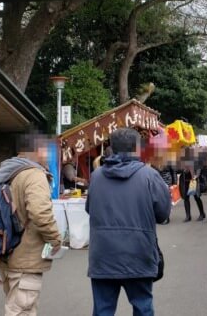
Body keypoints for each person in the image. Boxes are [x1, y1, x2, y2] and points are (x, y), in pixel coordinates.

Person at [86, 128, 171, 316]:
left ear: (112, 148)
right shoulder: (149, 176)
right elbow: (163, 214)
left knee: (103, 310)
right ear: (138, 149)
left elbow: (89, 209)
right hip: (139, 253)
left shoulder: (97, 177)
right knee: (142, 308)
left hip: (103, 256)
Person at [0, 134, 62, 316]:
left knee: (15, 303)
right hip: (26, 254)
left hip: (4, 250)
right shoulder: (34, 175)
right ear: (38, 150)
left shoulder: (5, 173)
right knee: (22, 309)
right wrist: (55, 240)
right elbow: (40, 213)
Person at [178, 148, 206, 222]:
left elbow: (199, 168)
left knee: (196, 197)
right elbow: (177, 170)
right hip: (185, 182)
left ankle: (202, 213)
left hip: (193, 181)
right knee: (186, 198)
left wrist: (196, 175)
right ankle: (188, 216)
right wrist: (182, 169)